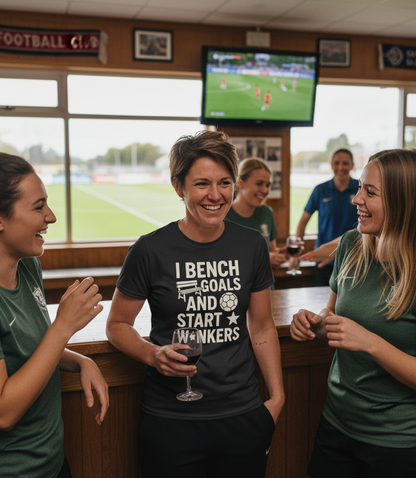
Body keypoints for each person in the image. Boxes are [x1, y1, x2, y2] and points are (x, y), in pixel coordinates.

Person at [106, 130, 285, 478]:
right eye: (202, 183)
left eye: (225, 183)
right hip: (170, 421)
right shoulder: (148, 249)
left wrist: (276, 400)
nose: (215, 195)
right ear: (178, 186)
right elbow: (117, 325)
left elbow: (261, 326)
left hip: (242, 415)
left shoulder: (252, 245)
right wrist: (152, 354)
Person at [290, 149, 416, 477]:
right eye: (360, 187)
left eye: (370, 192)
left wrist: (370, 342)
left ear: (404, 202)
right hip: (335, 424)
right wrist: (315, 323)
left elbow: (364, 338)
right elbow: (332, 313)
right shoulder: (350, 245)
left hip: (397, 442)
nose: (355, 198)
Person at [0, 153, 109, 478]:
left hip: (52, 464)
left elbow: (34, 350)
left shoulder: (28, 266)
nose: (51, 216)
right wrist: (63, 326)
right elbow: (4, 413)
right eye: (38, 207)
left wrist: (80, 361)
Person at [295, 148, 358, 285]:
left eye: (345, 163)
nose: (341, 167)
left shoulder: (360, 188)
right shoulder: (320, 190)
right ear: (331, 165)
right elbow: (303, 220)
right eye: (337, 163)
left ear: (352, 165)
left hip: (354, 259)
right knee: (323, 303)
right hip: (324, 259)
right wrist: (296, 250)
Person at [225, 157, 287, 287]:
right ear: (240, 182)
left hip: (266, 289)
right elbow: (221, 261)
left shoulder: (266, 212)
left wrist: (281, 255)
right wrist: (264, 258)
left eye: (268, 185)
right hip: (235, 292)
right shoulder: (223, 214)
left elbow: (271, 250)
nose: (265, 190)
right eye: (259, 184)